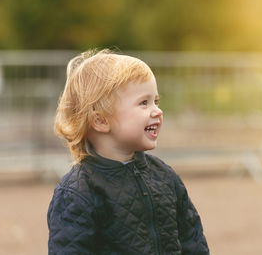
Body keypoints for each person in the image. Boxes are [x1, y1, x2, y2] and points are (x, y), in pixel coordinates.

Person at [47, 49, 210, 255]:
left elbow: (192, 240)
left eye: (156, 101)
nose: (157, 111)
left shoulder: (165, 176)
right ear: (101, 120)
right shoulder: (78, 192)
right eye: (144, 103)